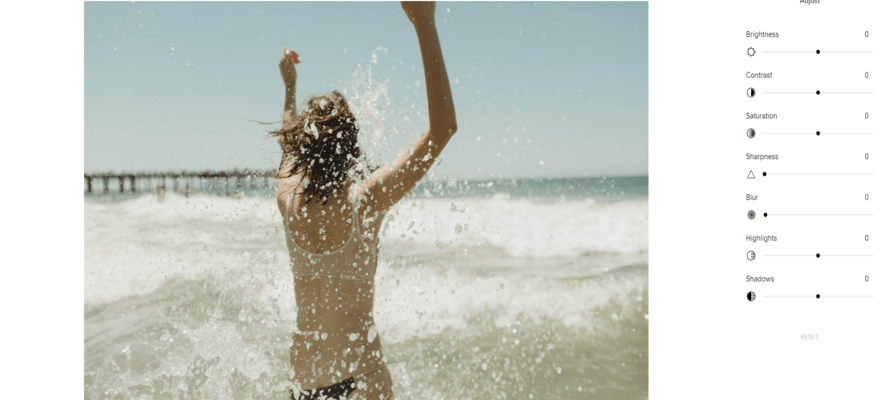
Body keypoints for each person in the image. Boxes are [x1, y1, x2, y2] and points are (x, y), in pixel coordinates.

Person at [270, 2, 456, 399]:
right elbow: (442, 130)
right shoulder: (366, 201)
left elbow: (289, 139)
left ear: (302, 148)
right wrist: (424, 23)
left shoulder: (288, 198)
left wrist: (289, 86)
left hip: (302, 384)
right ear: (352, 147)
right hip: (363, 381)